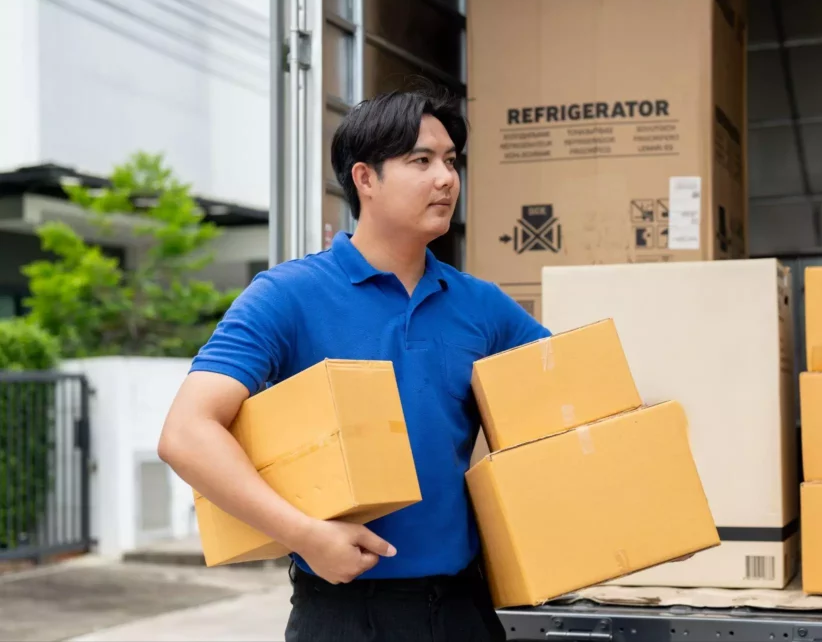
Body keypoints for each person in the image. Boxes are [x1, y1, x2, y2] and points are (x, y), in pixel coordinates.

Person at [157, 86, 550, 641]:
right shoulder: (287, 295)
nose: (446, 179)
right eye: (421, 161)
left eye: (451, 162)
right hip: (344, 612)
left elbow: (570, 410)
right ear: (365, 178)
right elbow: (185, 433)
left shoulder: (481, 306)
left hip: (463, 607)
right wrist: (305, 535)